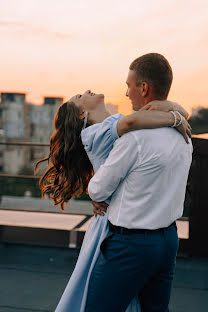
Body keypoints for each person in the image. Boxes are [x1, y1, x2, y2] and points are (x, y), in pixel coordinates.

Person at [35, 68, 191, 312]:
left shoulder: (117, 123)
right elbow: (133, 121)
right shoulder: (96, 132)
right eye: (79, 96)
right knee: (102, 298)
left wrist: (172, 109)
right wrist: (174, 118)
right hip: (112, 222)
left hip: (124, 213)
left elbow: (173, 113)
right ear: (82, 115)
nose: (85, 91)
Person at [84, 53, 193, 312]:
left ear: (143, 88)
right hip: (167, 241)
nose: (126, 93)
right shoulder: (184, 136)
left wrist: (96, 193)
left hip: (130, 246)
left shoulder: (134, 139)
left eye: (129, 85)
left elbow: (97, 188)